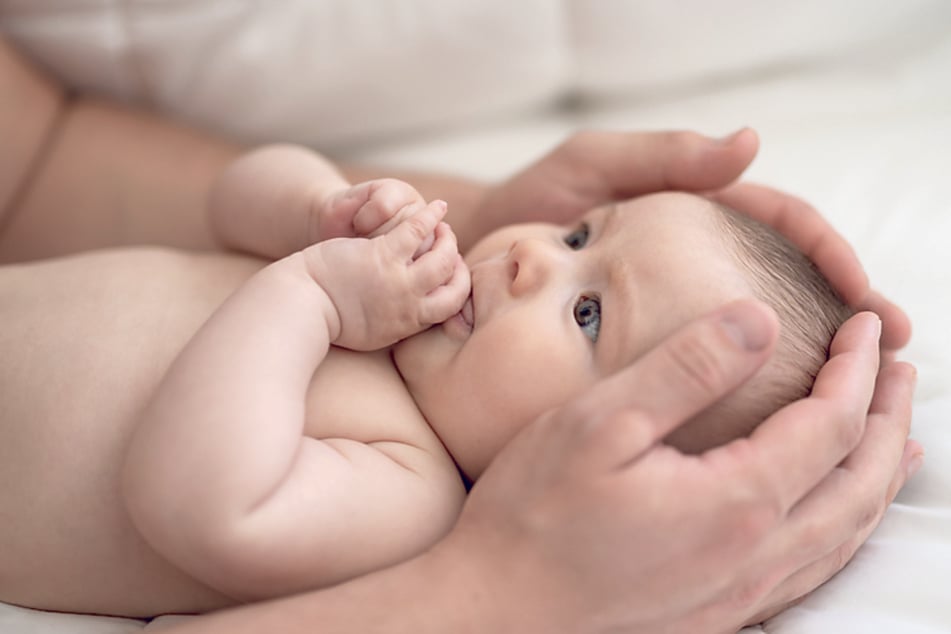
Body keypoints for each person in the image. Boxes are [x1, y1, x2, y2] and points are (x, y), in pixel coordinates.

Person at [0, 37, 920, 631]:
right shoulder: (391, 293)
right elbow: (228, 201)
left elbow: (195, 502)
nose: (528, 261)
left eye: (588, 314)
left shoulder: (407, 492)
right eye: (578, 235)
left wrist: (315, 294)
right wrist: (320, 205)